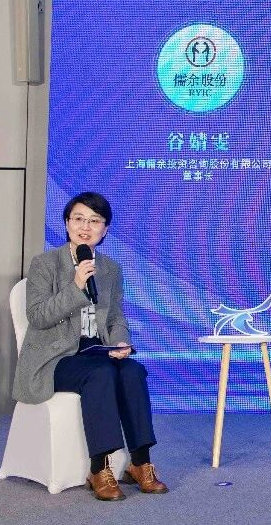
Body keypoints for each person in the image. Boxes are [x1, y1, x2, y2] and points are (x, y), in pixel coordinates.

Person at [11, 192, 167, 501]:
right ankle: (99, 468)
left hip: (97, 351)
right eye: (79, 219)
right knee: (101, 374)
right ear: (67, 223)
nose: (86, 227)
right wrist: (76, 286)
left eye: (95, 221)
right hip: (55, 357)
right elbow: (38, 317)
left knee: (133, 371)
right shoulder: (45, 264)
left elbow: (116, 316)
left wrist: (120, 341)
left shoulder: (110, 268)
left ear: (105, 229)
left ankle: (140, 463)